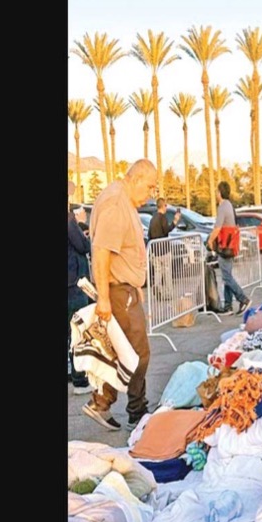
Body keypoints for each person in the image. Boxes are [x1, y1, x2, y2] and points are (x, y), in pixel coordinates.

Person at [81, 159, 158, 432]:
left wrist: (137, 291)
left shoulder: (122, 199)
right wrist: (103, 297)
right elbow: (102, 251)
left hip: (124, 290)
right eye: (149, 186)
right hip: (116, 290)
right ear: (135, 178)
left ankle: (101, 402)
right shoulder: (116, 202)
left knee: (120, 352)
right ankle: (138, 412)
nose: (150, 193)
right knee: (138, 354)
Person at [207, 180, 250, 317]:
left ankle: (243, 298)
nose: (215, 193)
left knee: (226, 276)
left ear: (220, 192)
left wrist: (210, 240)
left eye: (216, 191)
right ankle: (228, 305)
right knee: (227, 275)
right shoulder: (229, 205)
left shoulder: (223, 206)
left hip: (225, 246)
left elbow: (218, 227)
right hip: (230, 245)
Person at [68, 181, 92, 395]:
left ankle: (73, 375)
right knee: (77, 332)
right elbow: (82, 246)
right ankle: (78, 379)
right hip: (73, 283)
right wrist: (80, 223)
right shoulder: (68, 220)